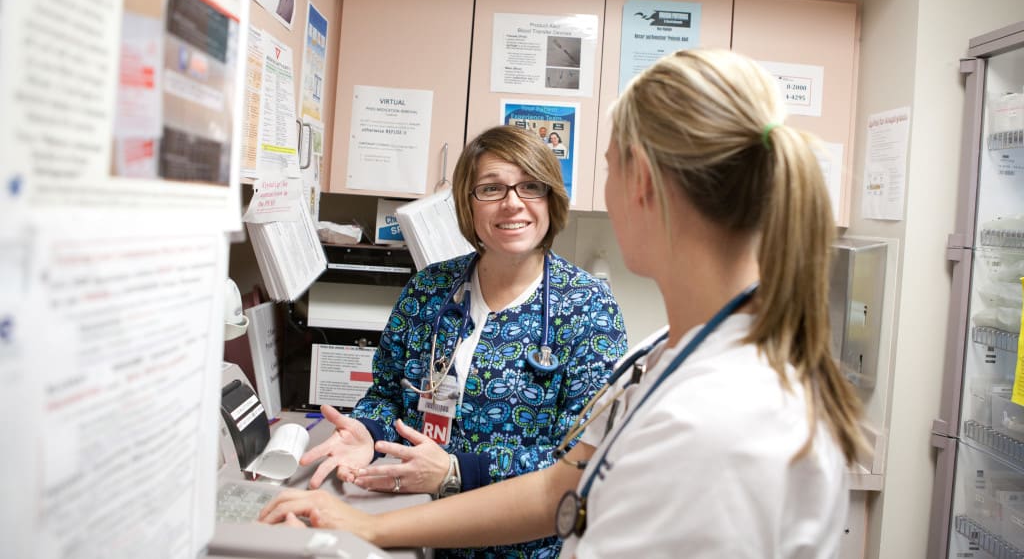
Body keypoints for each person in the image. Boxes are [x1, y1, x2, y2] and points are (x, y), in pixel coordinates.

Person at [260, 49, 865, 557]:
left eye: (605, 166)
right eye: (491, 190)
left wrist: (447, 475)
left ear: (641, 185)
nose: (513, 204)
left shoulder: (720, 422)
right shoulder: (667, 355)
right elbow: (559, 488)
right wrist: (369, 524)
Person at [296, 124, 627, 558]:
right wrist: (367, 431)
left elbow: (581, 460)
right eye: (491, 189)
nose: (512, 202)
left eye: (530, 186)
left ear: (550, 199)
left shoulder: (588, 308)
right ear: (468, 206)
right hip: (410, 528)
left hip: (522, 546)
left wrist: (455, 470)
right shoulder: (429, 290)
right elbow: (387, 395)